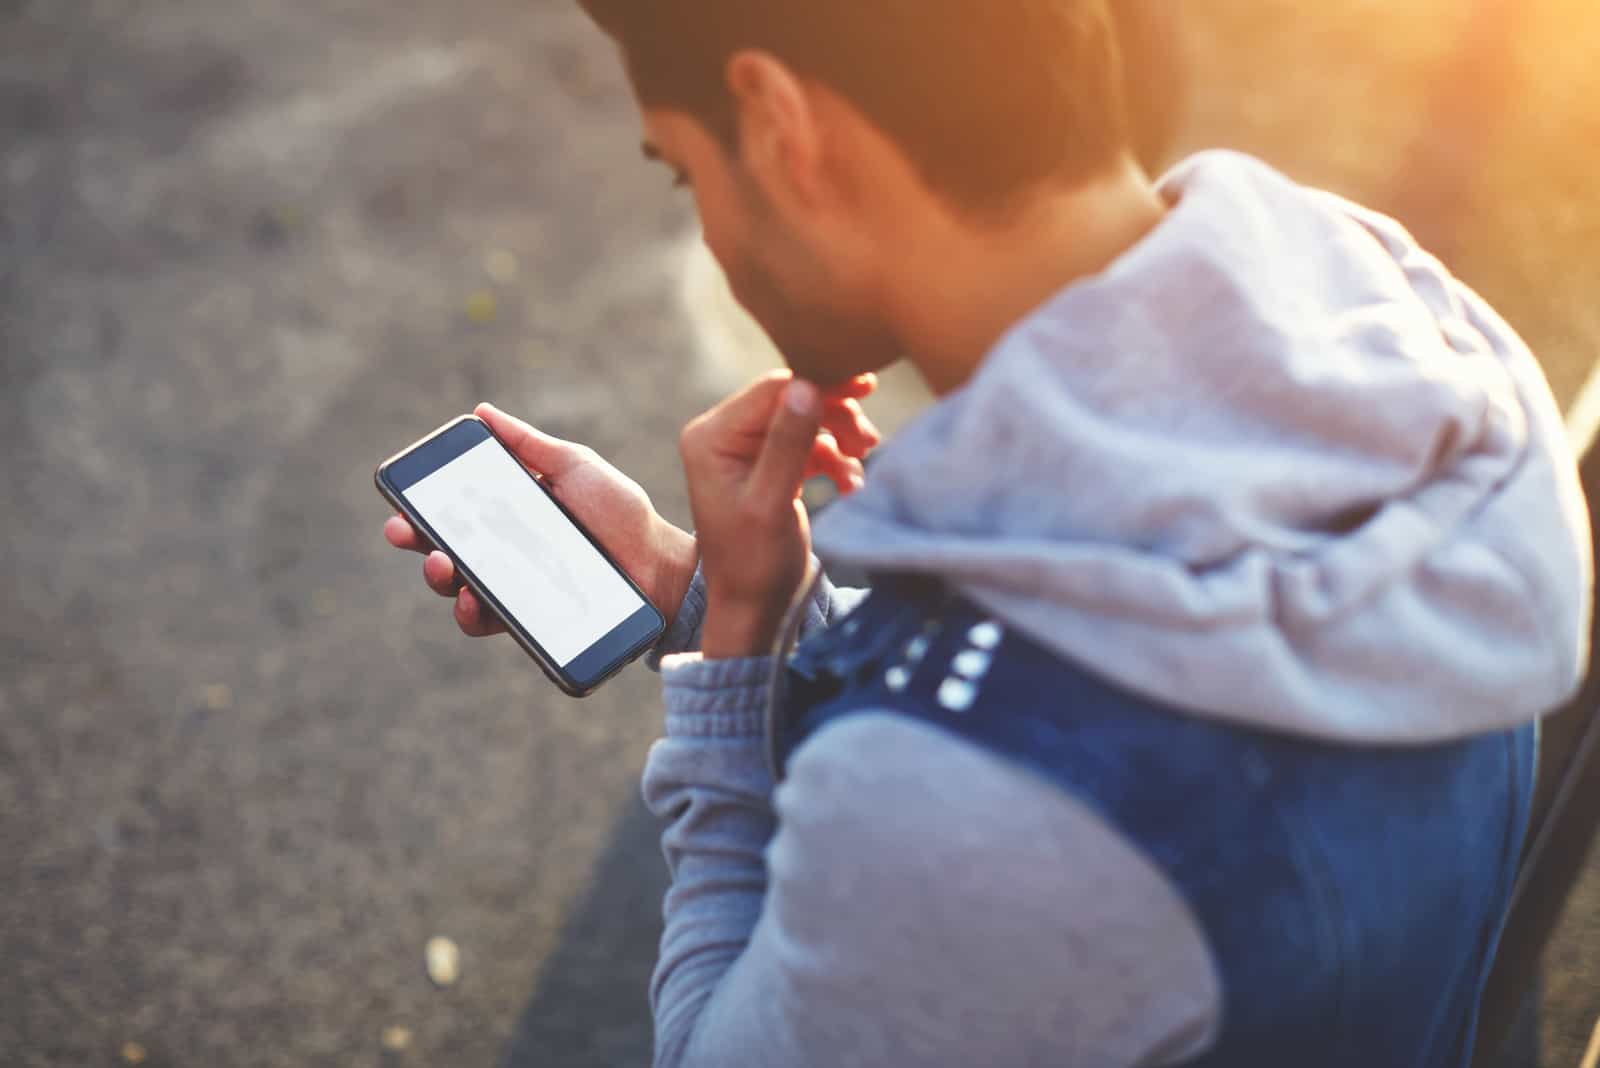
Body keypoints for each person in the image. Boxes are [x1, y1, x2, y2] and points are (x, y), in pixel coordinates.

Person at [383, 1, 1594, 1064]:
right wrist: (704, 587)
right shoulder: (1403, 336)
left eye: (685, 176)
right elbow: (1098, 660)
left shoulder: (978, 819)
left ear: (785, 131)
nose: (708, 228)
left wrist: (736, 656)